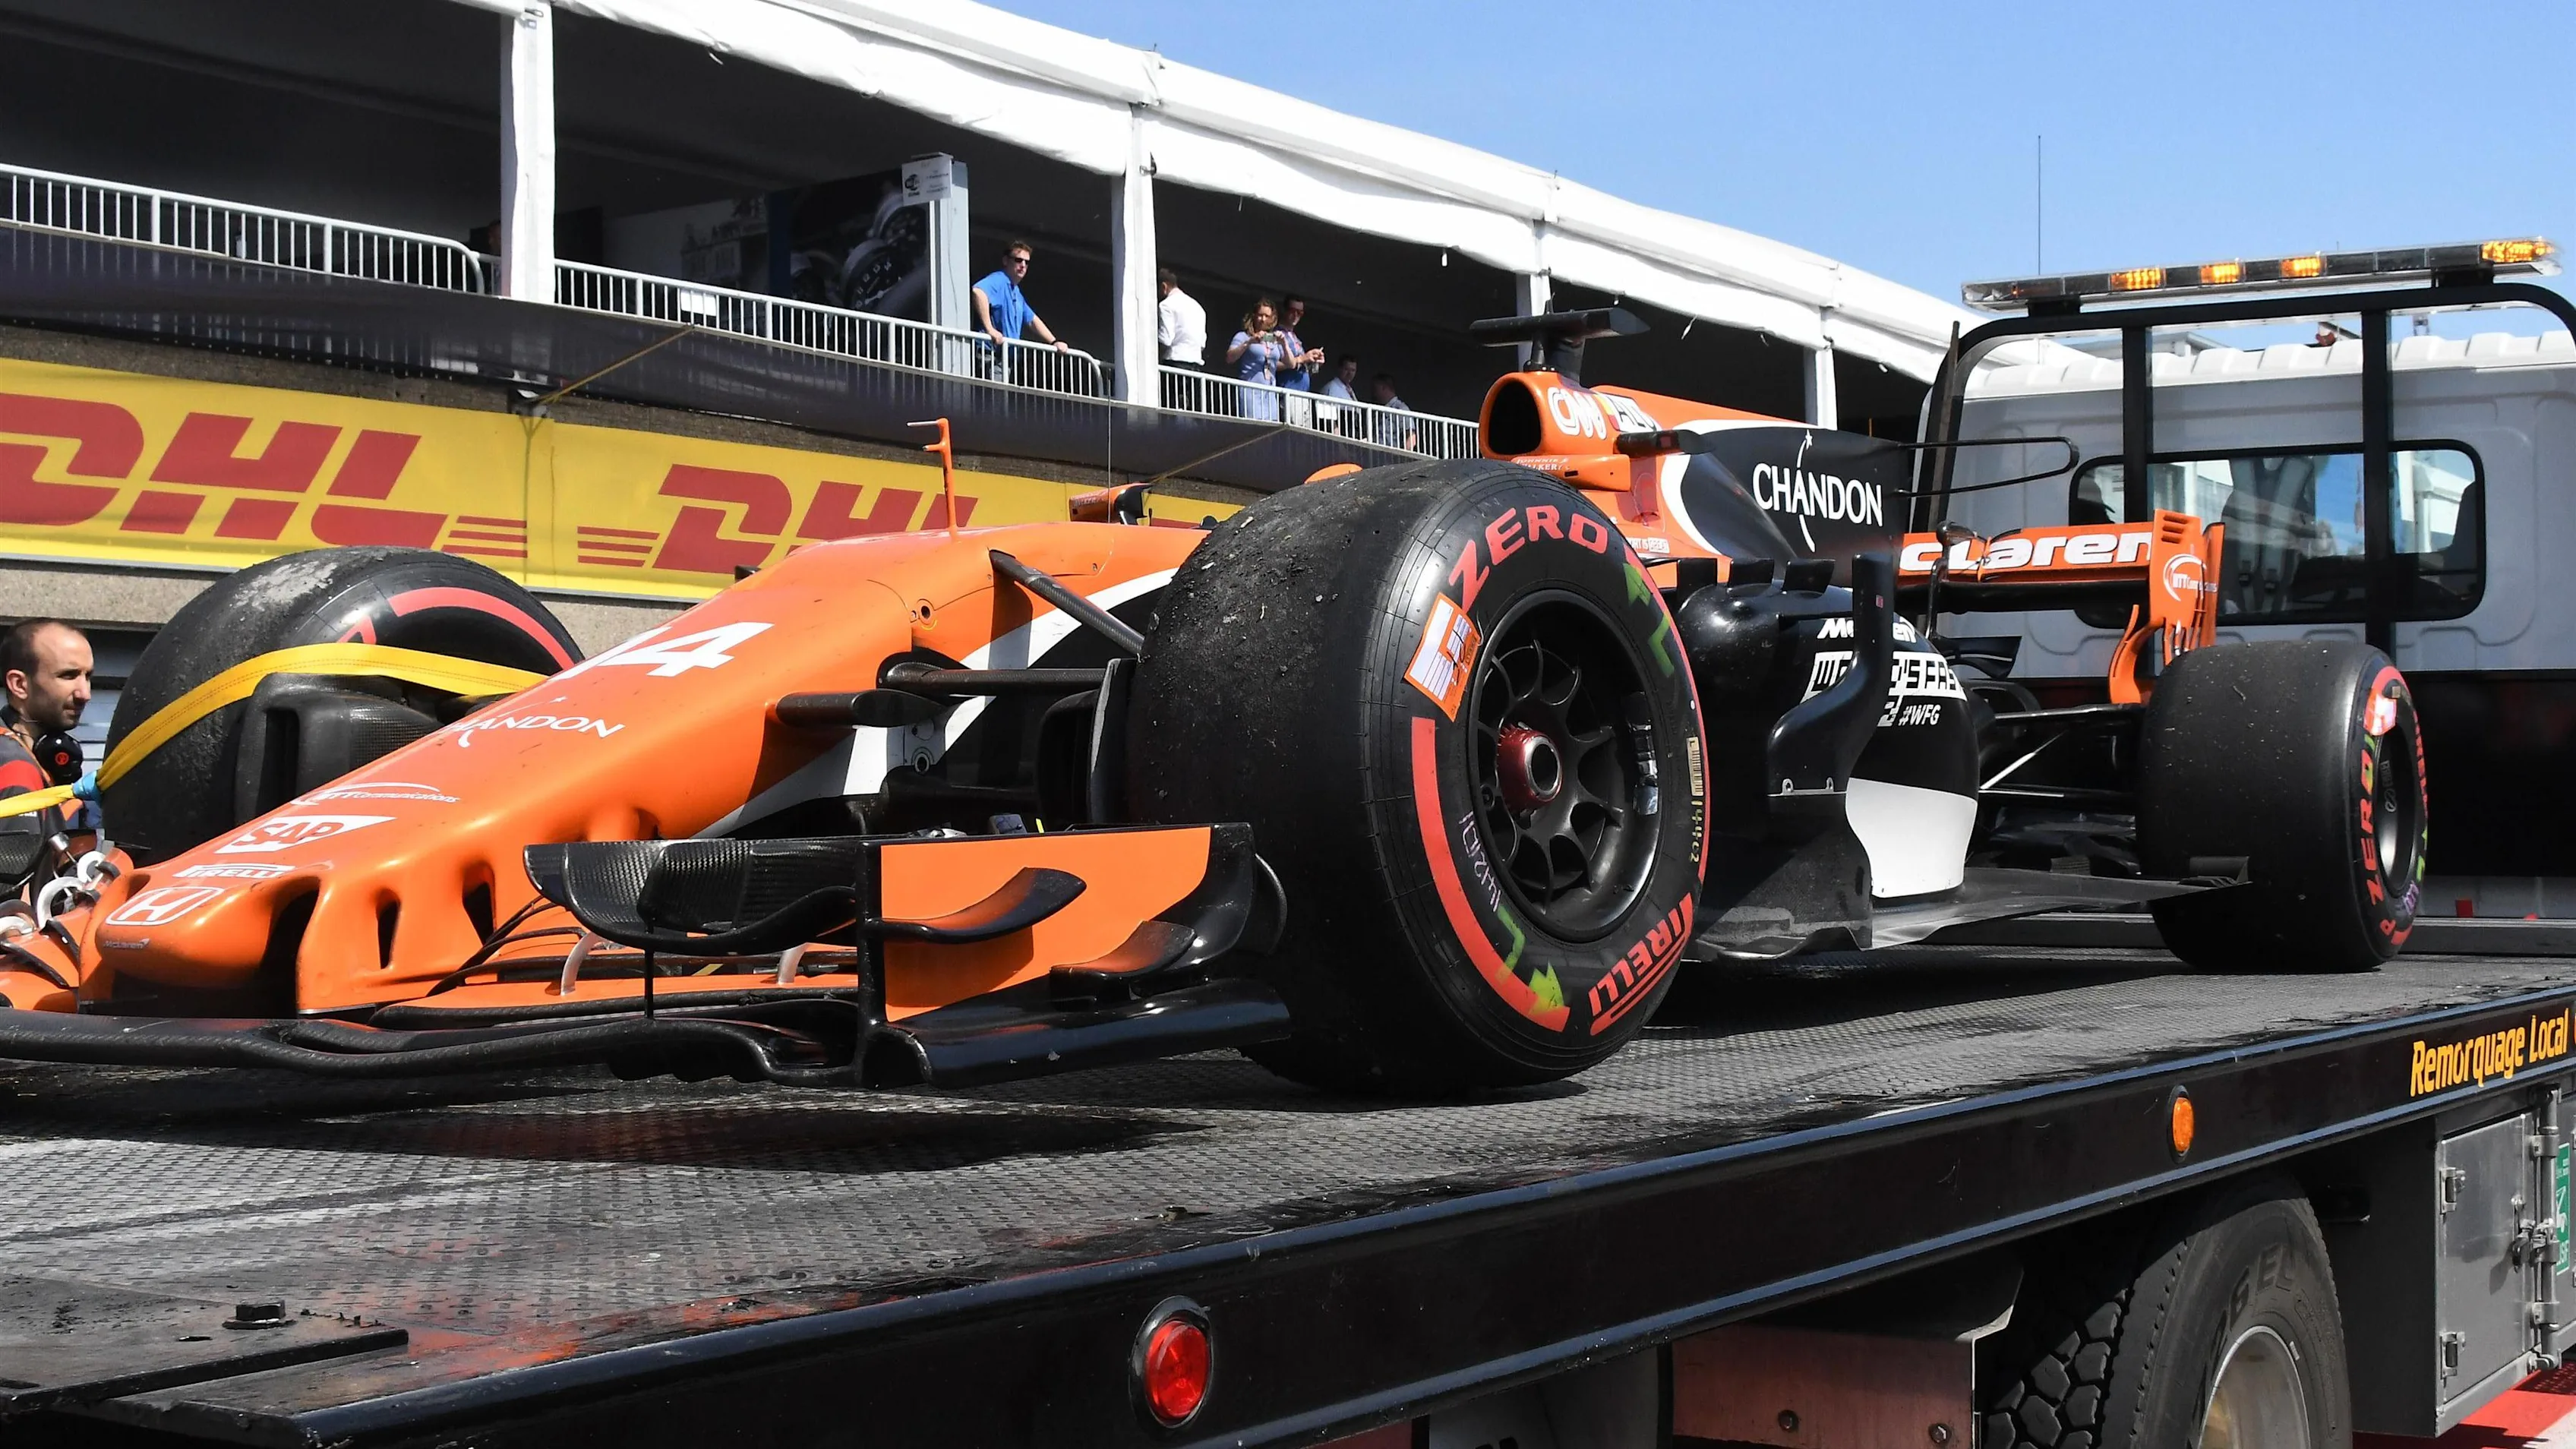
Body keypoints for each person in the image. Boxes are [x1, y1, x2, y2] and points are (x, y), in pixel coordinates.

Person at [0, 618, 91, 838]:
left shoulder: (31, 756)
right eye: (68, 675)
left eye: (88, 676)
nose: (85, 694)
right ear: (20, 685)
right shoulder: (16, 769)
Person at [971, 240, 1071, 380]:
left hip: (1005, 359)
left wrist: (1054, 342)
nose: (1023, 265)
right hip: (991, 355)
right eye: (1018, 260)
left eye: (1027, 262)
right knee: (993, 399)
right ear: (1006, 261)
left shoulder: (1016, 292)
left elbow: (1032, 320)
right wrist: (990, 329)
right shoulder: (999, 280)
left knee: (1000, 399)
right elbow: (978, 292)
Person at [1226, 298, 1293, 421]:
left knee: (1270, 430)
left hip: (1270, 394)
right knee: (1253, 427)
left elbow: (1291, 364)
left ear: (1272, 318)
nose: (1263, 319)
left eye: (1267, 316)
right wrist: (1249, 342)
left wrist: (1284, 344)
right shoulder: (1243, 336)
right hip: (1250, 393)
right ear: (1254, 316)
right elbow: (1230, 358)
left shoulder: (1274, 339)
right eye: (1260, 315)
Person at [1157, 268, 1207, 409]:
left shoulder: (1166, 305)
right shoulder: (1198, 307)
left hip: (1175, 365)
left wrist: (1155, 360)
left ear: (1164, 286)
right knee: (1193, 413)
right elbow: (1202, 344)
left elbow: (1166, 339)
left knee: (1170, 411)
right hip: (1196, 367)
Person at [1368, 372, 1419, 451]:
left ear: (1383, 388)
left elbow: (1411, 438)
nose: (1373, 393)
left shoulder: (1400, 409)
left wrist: (1403, 459)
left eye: (1375, 389)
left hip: (1392, 458)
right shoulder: (1378, 411)